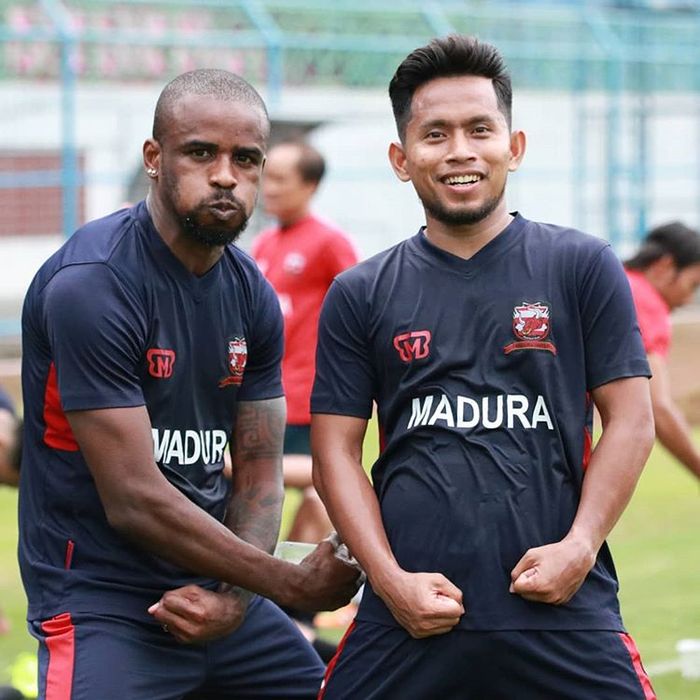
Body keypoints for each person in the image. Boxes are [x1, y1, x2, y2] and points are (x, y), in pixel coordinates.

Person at [311, 35, 657, 699]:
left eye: (479, 129)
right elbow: (335, 454)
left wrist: (580, 546)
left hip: (560, 609)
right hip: (409, 612)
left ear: (514, 146)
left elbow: (631, 418)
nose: (460, 151)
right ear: (401, 159)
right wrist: (388, 580)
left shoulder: (581, 266)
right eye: (434, 134)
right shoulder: (361, 292)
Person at [18, 69, 359, 700]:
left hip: (217, 585)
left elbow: (257, 469)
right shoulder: (93, 285)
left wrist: (234, 596)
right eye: (202, 152)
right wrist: (284, 584)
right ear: (155, 158)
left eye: (246, 159)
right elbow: (134, 498)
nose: (226, 174)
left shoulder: (250, 292)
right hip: (102, 600)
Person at [251, 140, 359, 661]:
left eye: (280, 180)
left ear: (310, 186)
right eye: (266, 179)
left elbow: (362, 309)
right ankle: (276, 595)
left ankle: (294, 603)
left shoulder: (330, 244)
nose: (268, 189)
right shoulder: (265, 246)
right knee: (258, 500)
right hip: (266, 402)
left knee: (321, 497)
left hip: (314, 401)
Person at [625, 222, 700, 482]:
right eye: (693, 284)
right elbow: (658, 408)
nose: (688, 300)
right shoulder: (644, 300)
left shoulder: (611, 281)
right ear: (664, 266)